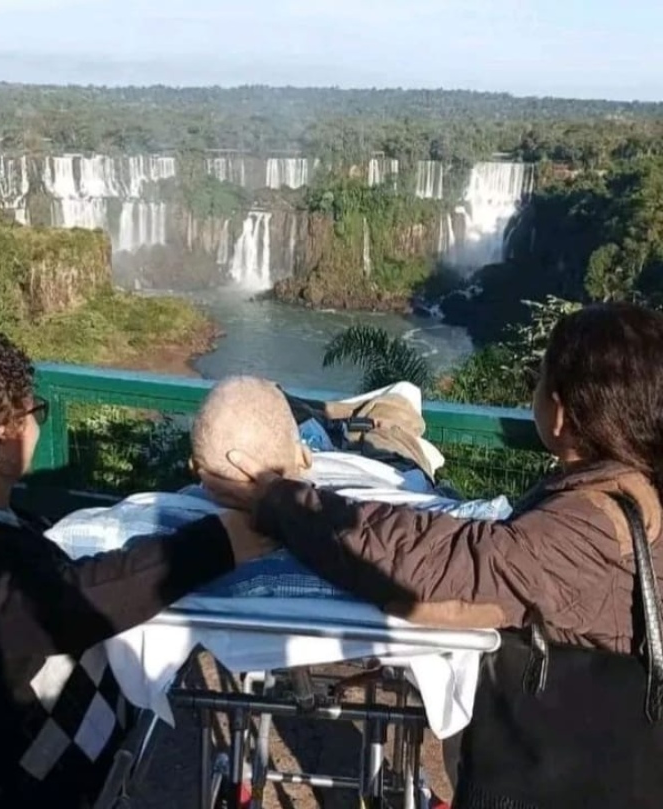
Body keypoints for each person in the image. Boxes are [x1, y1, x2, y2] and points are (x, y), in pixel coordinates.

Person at [202, 302, 663, 794]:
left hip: (578, 763)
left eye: (539, 377)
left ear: (561, 412)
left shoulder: (591, 526)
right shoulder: (628, 487)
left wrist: (279, 500)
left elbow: (428, 566)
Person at [0, 326, 273, 809]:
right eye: (32, 410)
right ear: (2, 438)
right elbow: (74, 600)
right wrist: (225, 540)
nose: (36, 422)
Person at [48, 375, 509, 608]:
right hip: (374, 469)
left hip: (290, 458)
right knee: (394, 411)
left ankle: (314, 415)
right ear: (303, 463)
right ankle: (350, 415)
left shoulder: (133, 529)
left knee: (293, 414)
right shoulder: (392, 529)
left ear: (195, 471)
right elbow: (489, 542)